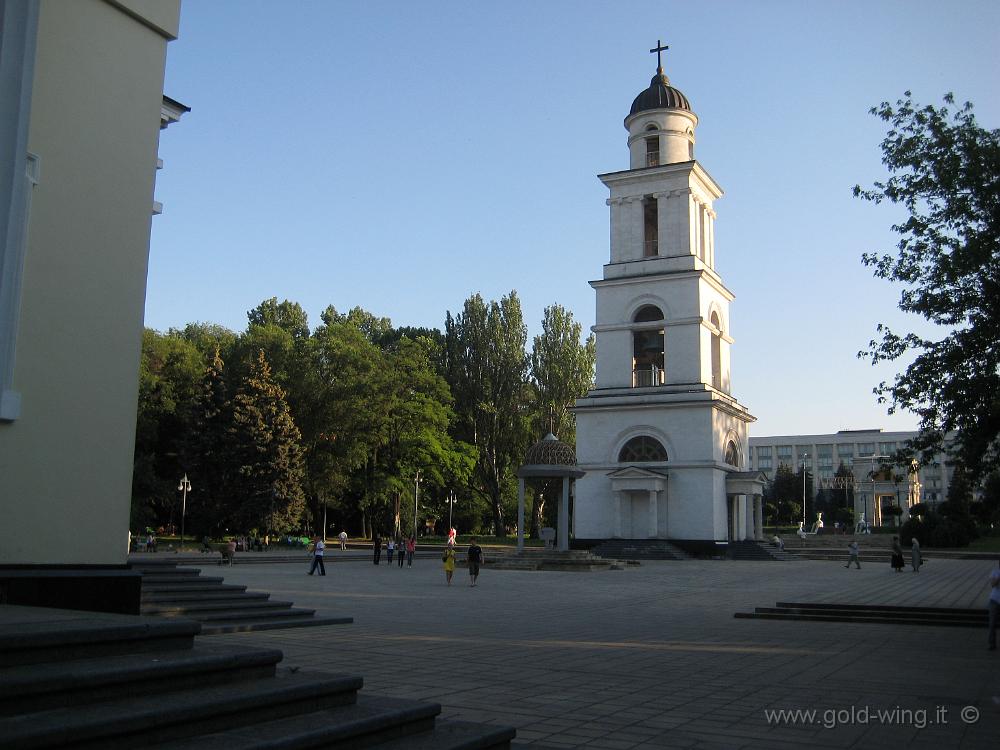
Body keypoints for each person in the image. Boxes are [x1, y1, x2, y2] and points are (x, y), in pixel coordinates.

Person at [988, 560, 1000, 651]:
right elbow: (993, 584)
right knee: (992, 623)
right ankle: (992, 643)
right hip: (994, 600)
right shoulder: (995, 572)